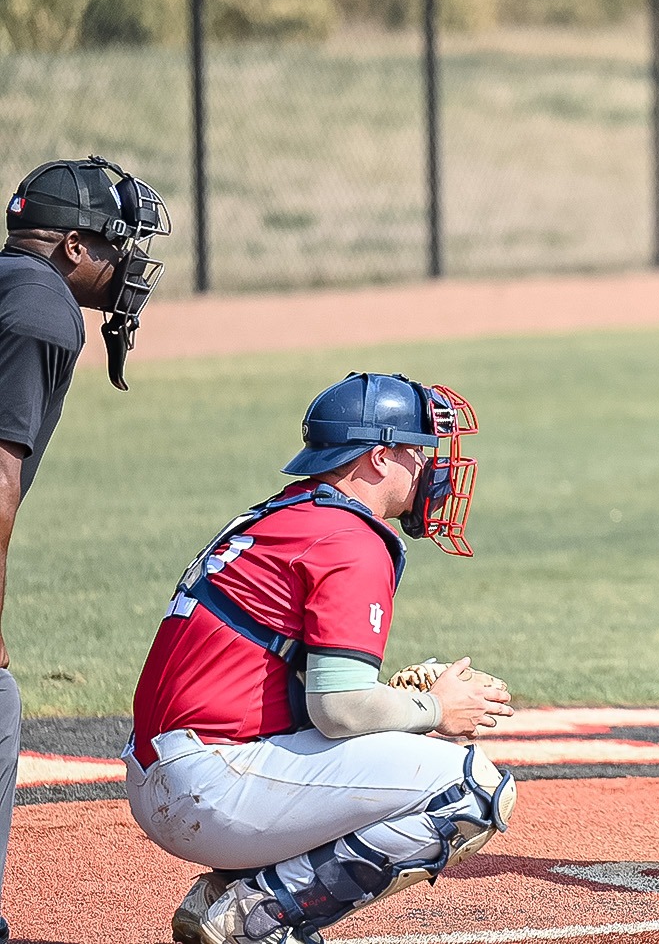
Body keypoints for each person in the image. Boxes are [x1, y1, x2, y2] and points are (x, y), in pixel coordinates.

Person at [126, 372, 515, 944]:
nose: (430, 469)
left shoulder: (283, 515)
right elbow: (338, 707)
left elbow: (287, 675)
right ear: (380, 458)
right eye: (419, 451)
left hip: (169, 768)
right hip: (211, 784)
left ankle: (229, 892)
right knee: (472, 789)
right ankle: (256, 914)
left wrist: (401, 701)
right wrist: (432, 709)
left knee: (397, 745)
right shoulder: (348, 540)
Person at [0, 156, 171, 942]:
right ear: (72, 247)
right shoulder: (44, 307)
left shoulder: (11, 285)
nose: (126, 262)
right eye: (114, 244)